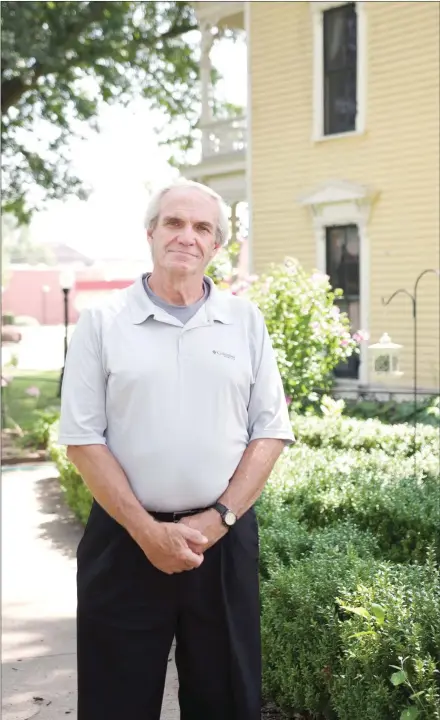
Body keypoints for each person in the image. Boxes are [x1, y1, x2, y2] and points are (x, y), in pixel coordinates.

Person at [58, 178, 294, 720]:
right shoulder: (102, 320)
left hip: (222, 545)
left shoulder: (245, 321)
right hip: (124, 543)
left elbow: (270, 431)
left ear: (215, 246)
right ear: (150, 233)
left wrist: (219, 518)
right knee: (115, 703)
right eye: (174, 222)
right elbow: (82, 439)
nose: (187, 236)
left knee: (228, 701)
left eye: (202, 227)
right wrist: (147, 532)